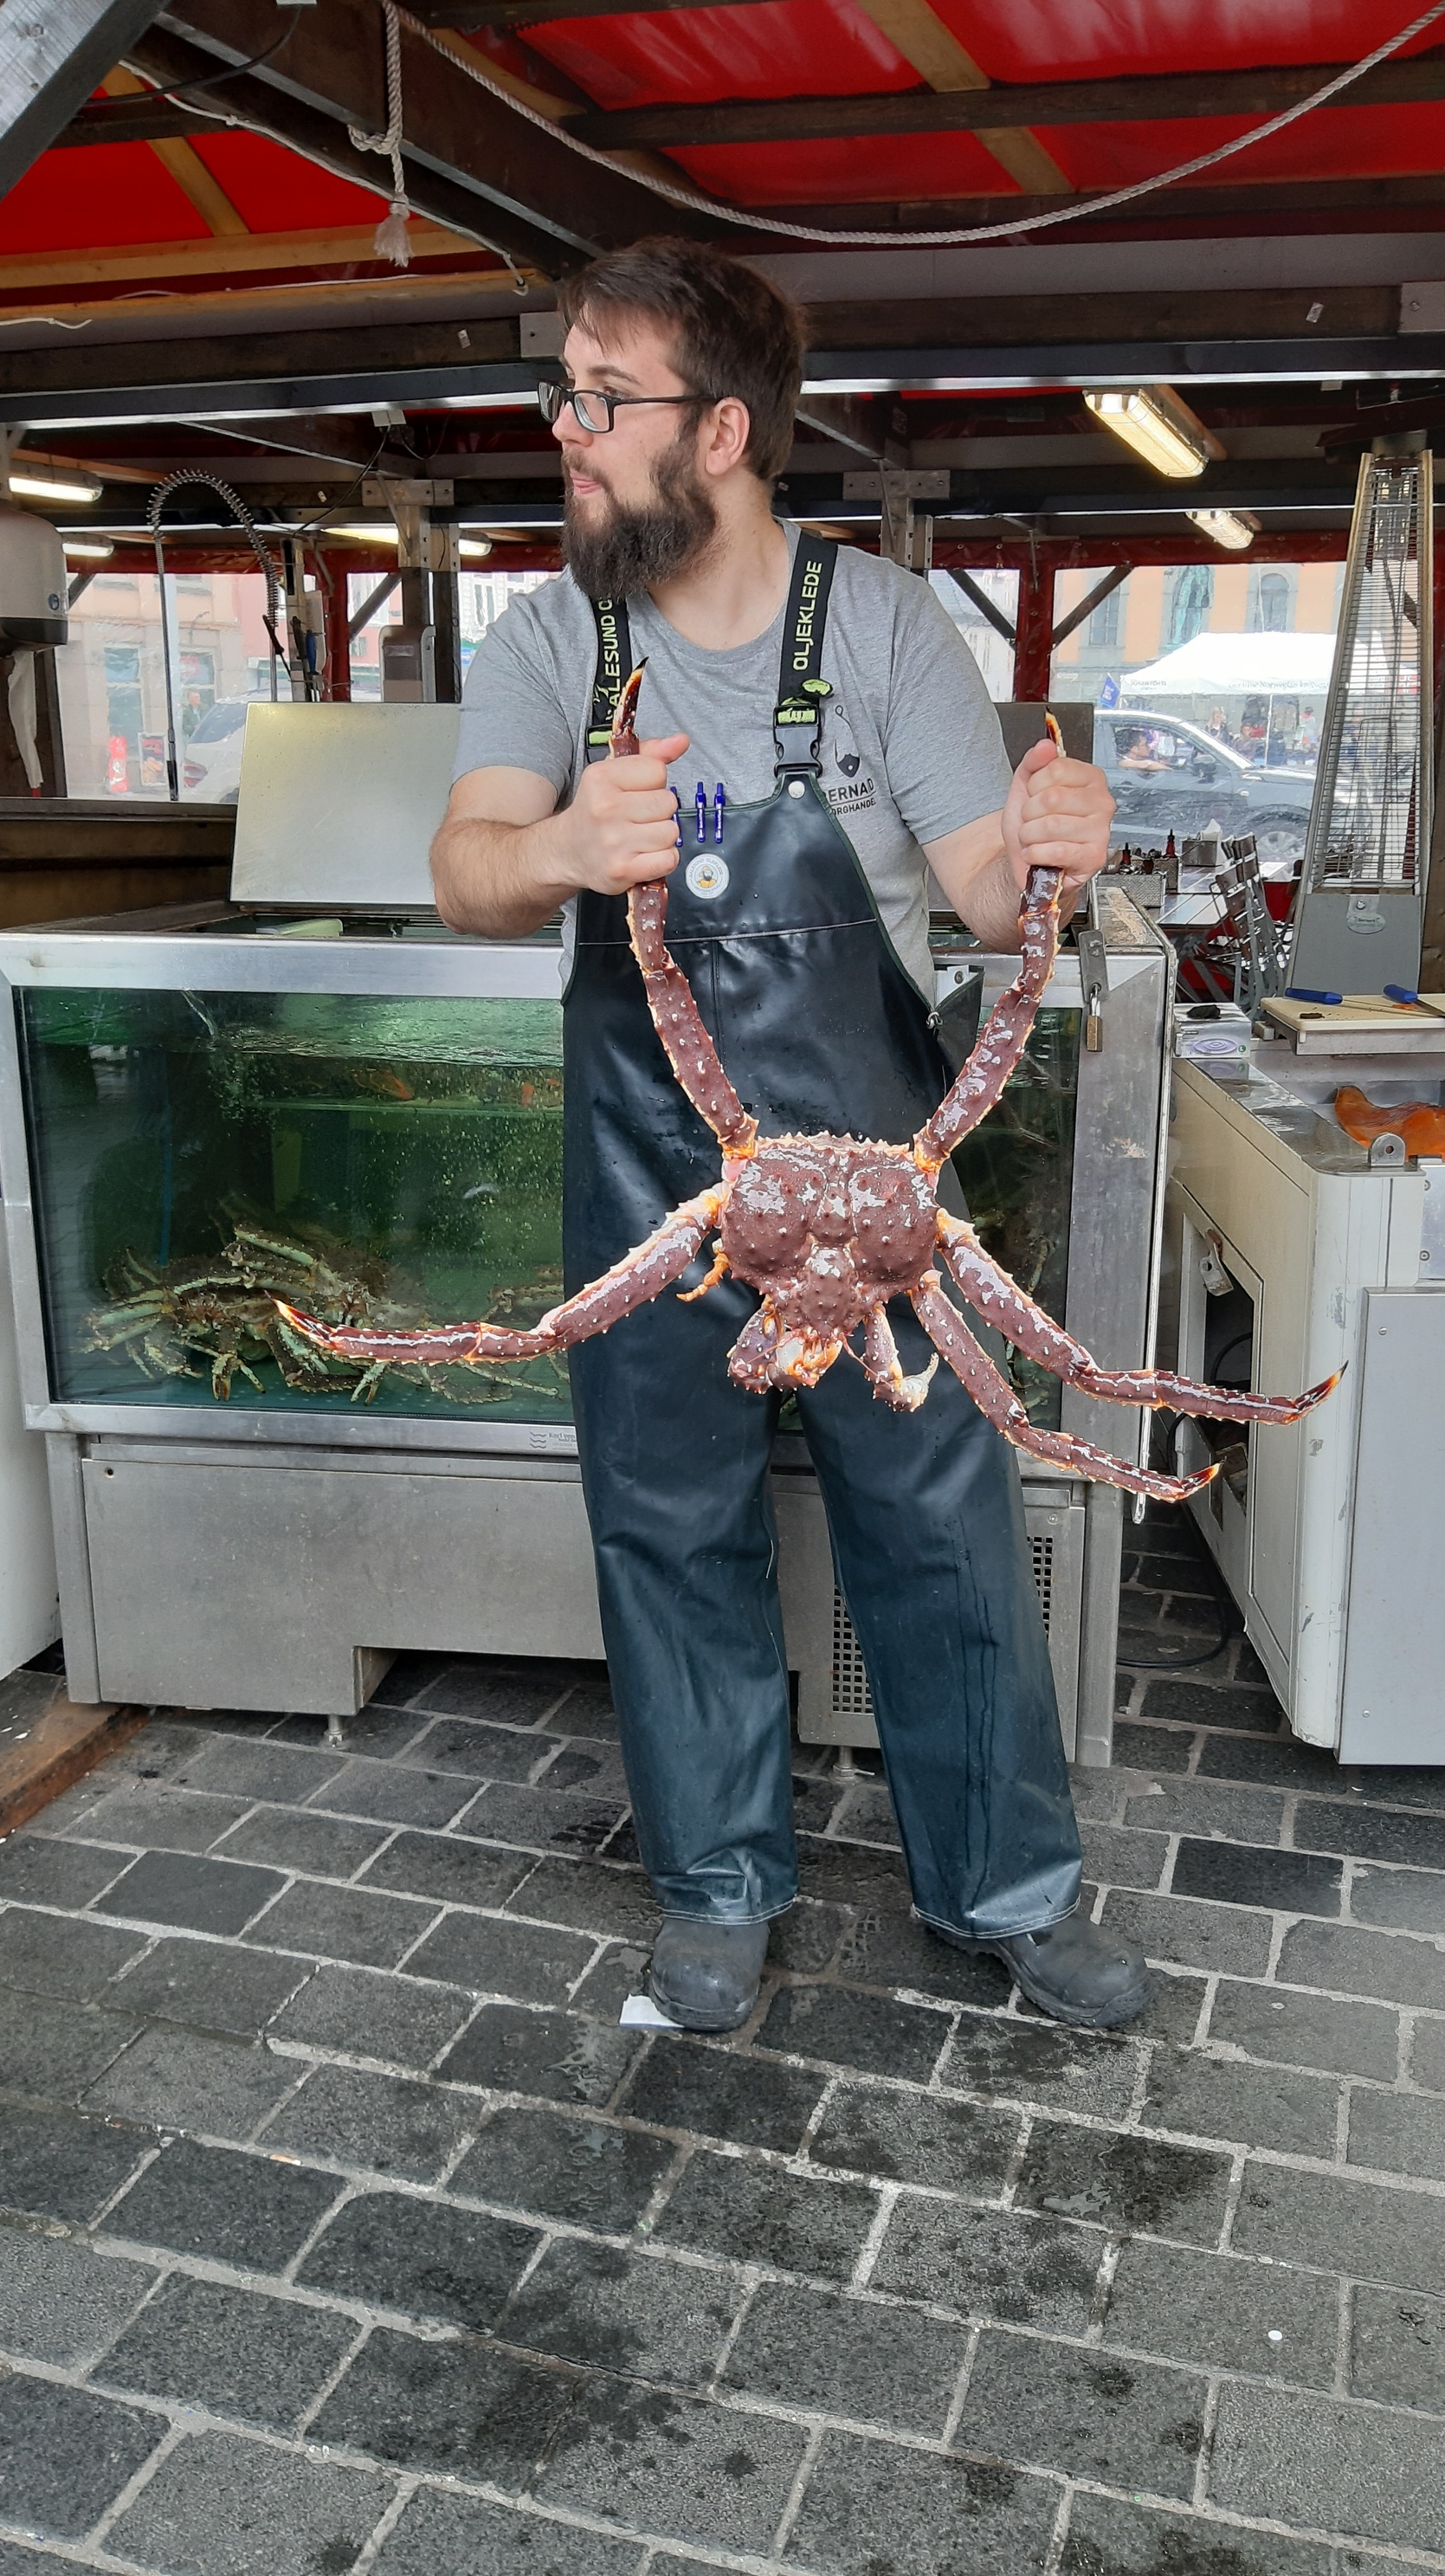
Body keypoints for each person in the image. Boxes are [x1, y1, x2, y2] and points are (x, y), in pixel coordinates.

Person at [431, 240, 1145, 2035]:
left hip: (878, 1194)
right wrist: (560, 853)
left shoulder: (890, 627)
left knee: (943, 1516)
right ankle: (720, 1888)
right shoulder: (551, 634)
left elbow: (990, 896)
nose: (569, 434)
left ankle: (1008, 1888)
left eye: (606, 401)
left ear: (725, 429)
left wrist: (1053, 838)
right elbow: (468, 877)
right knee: (667, 1523)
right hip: (648, 1186)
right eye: (563, 397)